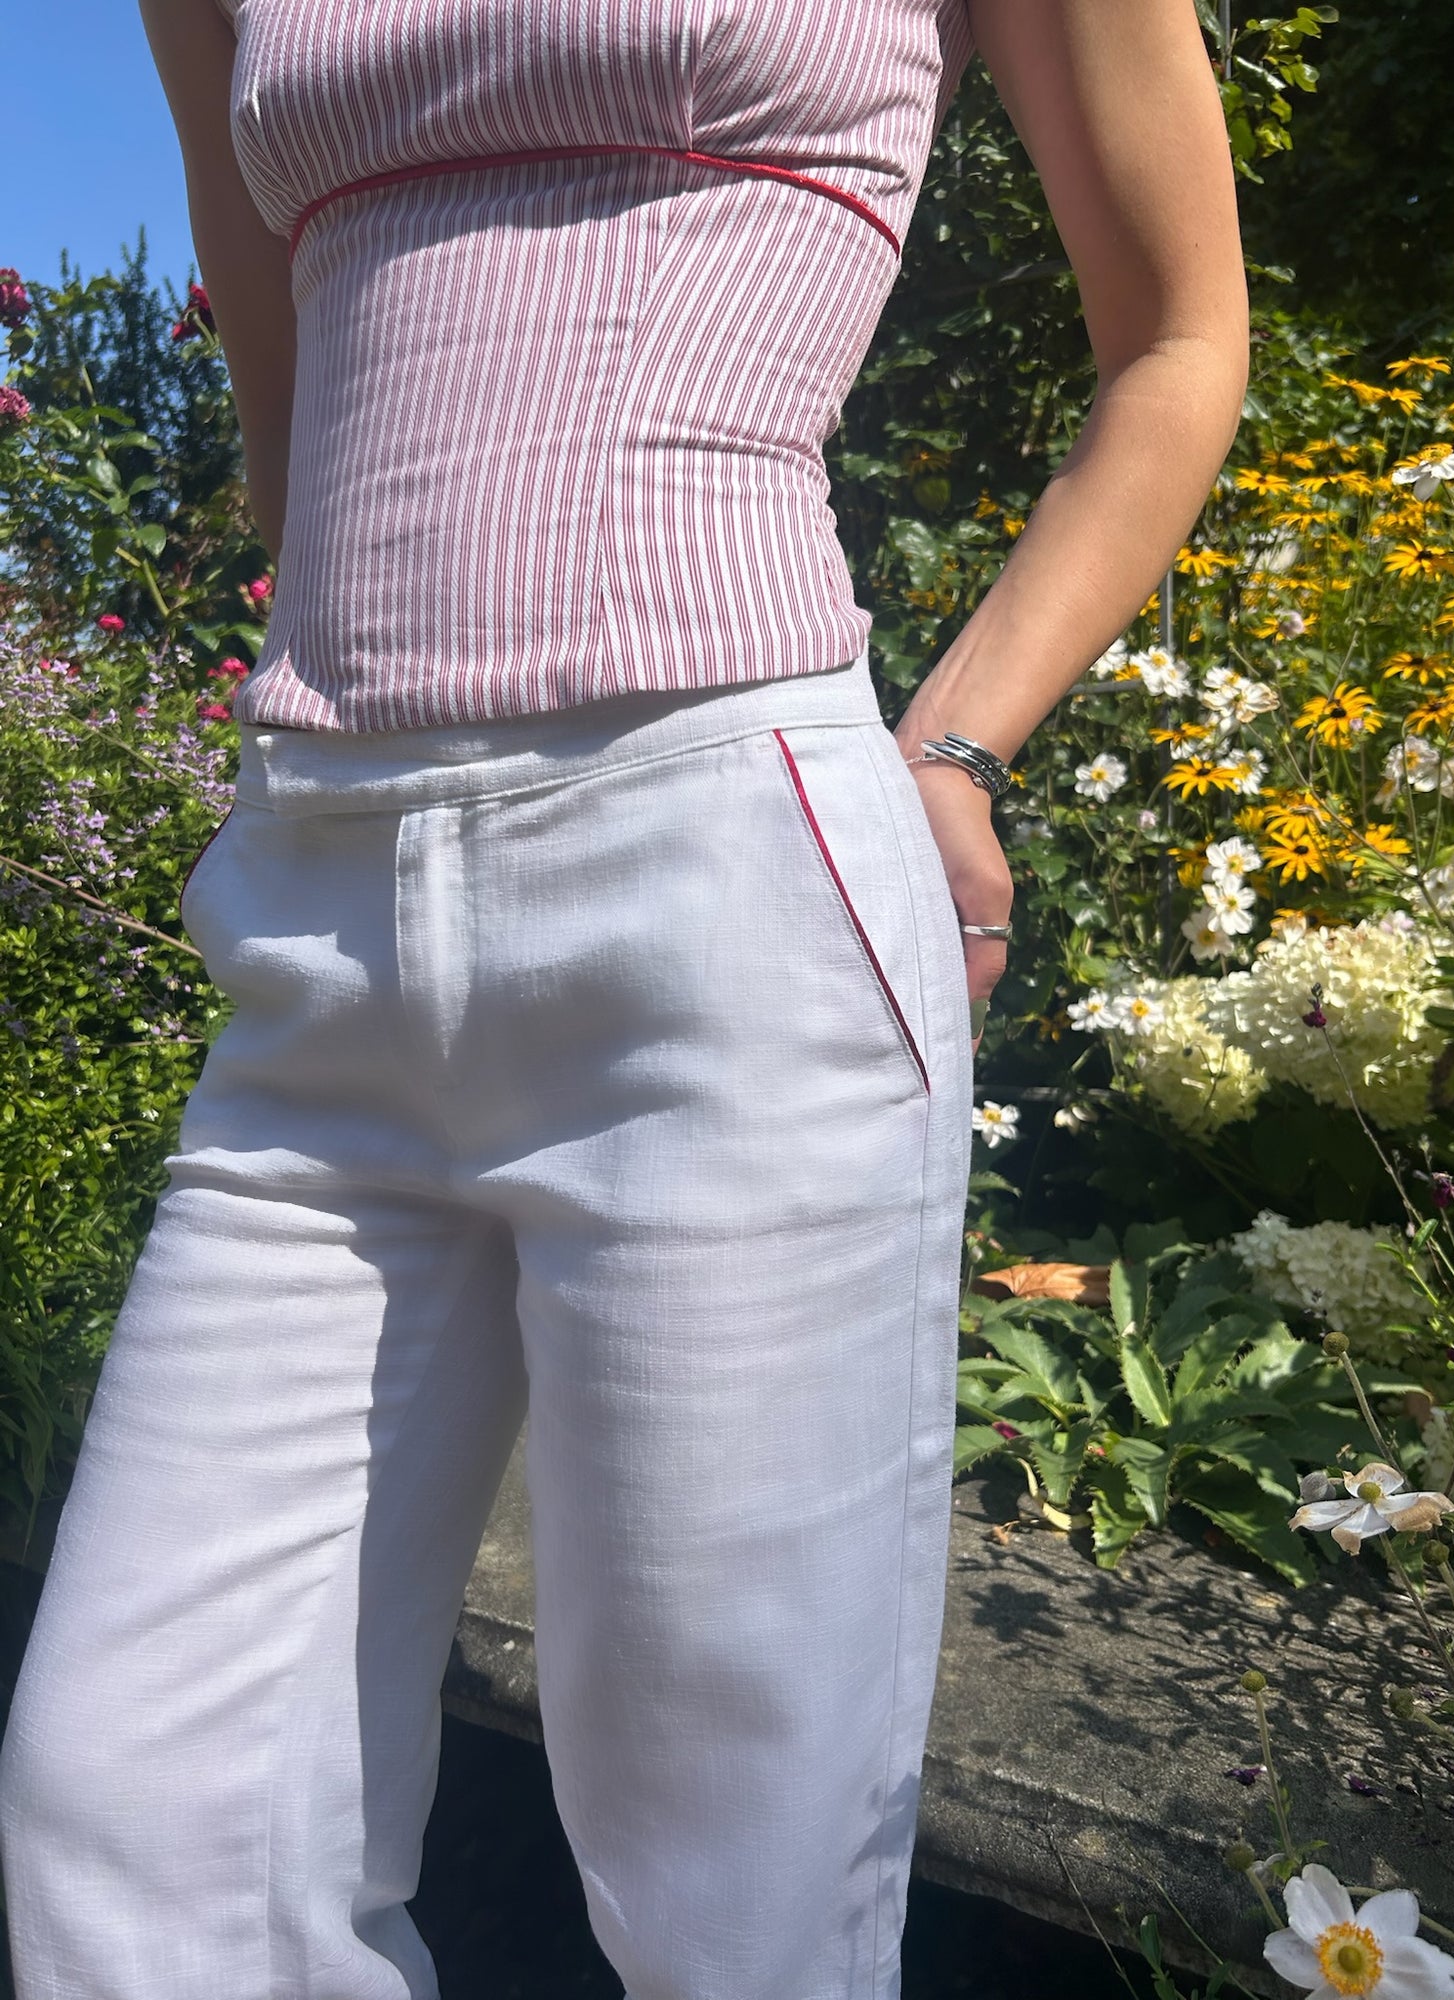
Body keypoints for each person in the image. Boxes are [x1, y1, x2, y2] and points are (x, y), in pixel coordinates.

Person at [0, 1, 1247, 1994]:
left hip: (721, 886)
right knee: (133, 1820)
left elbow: (1184, 337)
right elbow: (277, 373)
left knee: (734, 1895)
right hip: (321, 910)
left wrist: (960, 746)